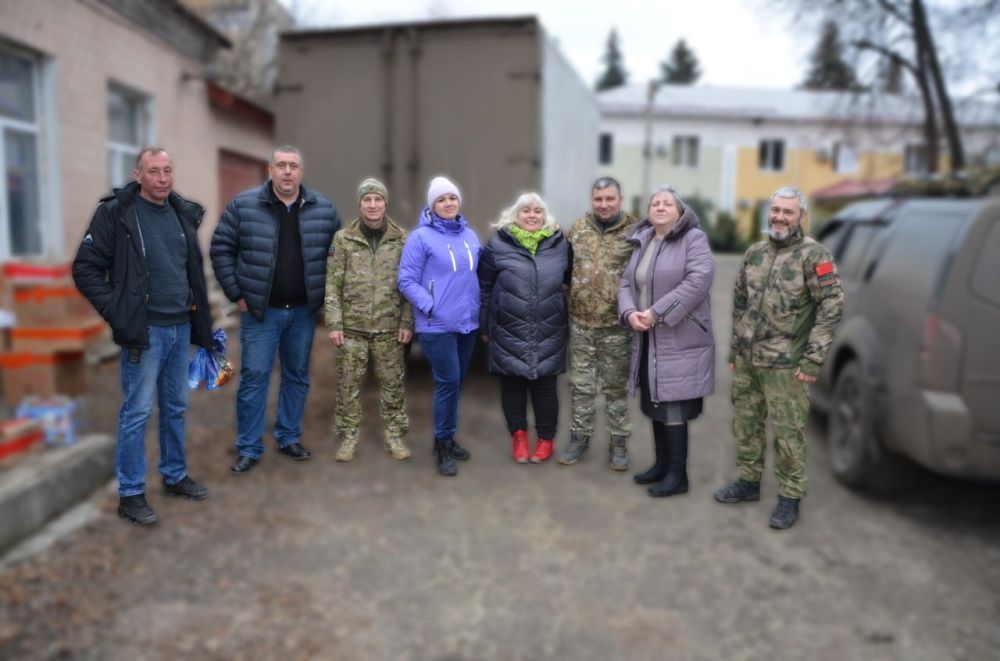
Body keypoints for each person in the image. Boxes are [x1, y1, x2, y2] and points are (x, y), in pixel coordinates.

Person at [73, 147, 213, 525]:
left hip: (180, 326)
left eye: (168, 170)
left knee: (176, 407)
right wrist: (118, 310)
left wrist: (202, 319)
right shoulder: (116, 214)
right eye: (154, 171)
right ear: (138, 175)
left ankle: (174, 475)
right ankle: (131, 493)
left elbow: (192, 273)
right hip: (144, 331)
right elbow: (85, 269)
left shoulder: (182, 214)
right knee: (136, 412)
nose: (163, 178)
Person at [714, 187, 844, 529]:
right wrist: (733, 349)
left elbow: (831, 307)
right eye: (775, 210)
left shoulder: (815, 256)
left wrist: (813, 359)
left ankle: (790, 496)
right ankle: (748, 481)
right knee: (746, 425)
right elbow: (740, 302)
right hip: (748, 360)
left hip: (787, 364)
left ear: (801, 216)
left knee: (788, 434)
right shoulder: (755, 252)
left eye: (787, 212)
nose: (779, 217)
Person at [211, 146, 340, 474]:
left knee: (296, 377)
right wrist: (236, 292)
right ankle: (249, 447)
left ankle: (288, 437)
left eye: (293, 166)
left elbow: (337, 256)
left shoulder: (323, 209)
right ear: (270, 169)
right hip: (260, 312)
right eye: (280, 165)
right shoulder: (244, 205)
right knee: (255, 378)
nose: (287, 171)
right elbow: (221, 248)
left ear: (301, 171)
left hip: (302, 312)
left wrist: (326, 296)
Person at [619, 185, 715, 498]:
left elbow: (699, 279)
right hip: (648, 336)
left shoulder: (693, 239)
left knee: (673, 404)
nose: (660, 207)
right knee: (655, 401)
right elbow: (625, 283)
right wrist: (630, 312)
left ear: (680, 211)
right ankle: (662, 465)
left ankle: (678, 475)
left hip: (679, 336)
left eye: (667, 204)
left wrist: (657, 313)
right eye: (655, 203)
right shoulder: (643, 239)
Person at [478, 192, 572, 464]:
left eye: (537, 211)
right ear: (515, 215)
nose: (532, 216)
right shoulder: (497, 245)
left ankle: (546, 439)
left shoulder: (560, 245)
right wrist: (485, 325)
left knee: (545, 389)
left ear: (545, 216)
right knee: (512, 387)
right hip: (508, 330)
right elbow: (484, 287)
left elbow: (570, 281)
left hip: (549, 329)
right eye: (525, 211)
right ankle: (519, 437)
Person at [324, 178, 413, 461]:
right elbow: (333, 284)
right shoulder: (343, 239)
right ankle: (349, 435)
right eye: (367, 200)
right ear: (360, 203)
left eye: (377, 199)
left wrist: (407, 322)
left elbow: (412, 283)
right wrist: (335, 323)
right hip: (353, 328)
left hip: (389, 327)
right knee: (348, 385)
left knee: (393, 384)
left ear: (385, 204)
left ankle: (394, 434)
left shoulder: (402, 238)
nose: (372, 205)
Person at [397, 176, 481, 477]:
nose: (448, 203)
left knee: (455, 384)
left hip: (467, 323)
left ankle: (444, 436)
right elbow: (406, 280)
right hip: (436, 325)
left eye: (452, 198)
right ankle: (444, 443)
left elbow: (476, 275)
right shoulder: (420, 238)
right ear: (432, 204)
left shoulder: (470, 235)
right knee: (448, 383)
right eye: (441, 199)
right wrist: (432, 305)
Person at [559, 176, 640, 470]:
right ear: (592, 200)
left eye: (609, 199)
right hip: (581, 323)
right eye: (598, 199)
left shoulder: (636, 232)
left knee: (615, 388)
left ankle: (618, 443)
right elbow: (564, 269)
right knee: (580, 386)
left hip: (617, 326)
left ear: (620, 199)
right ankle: (579, 438)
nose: (604, 205)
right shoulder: (577, 230)